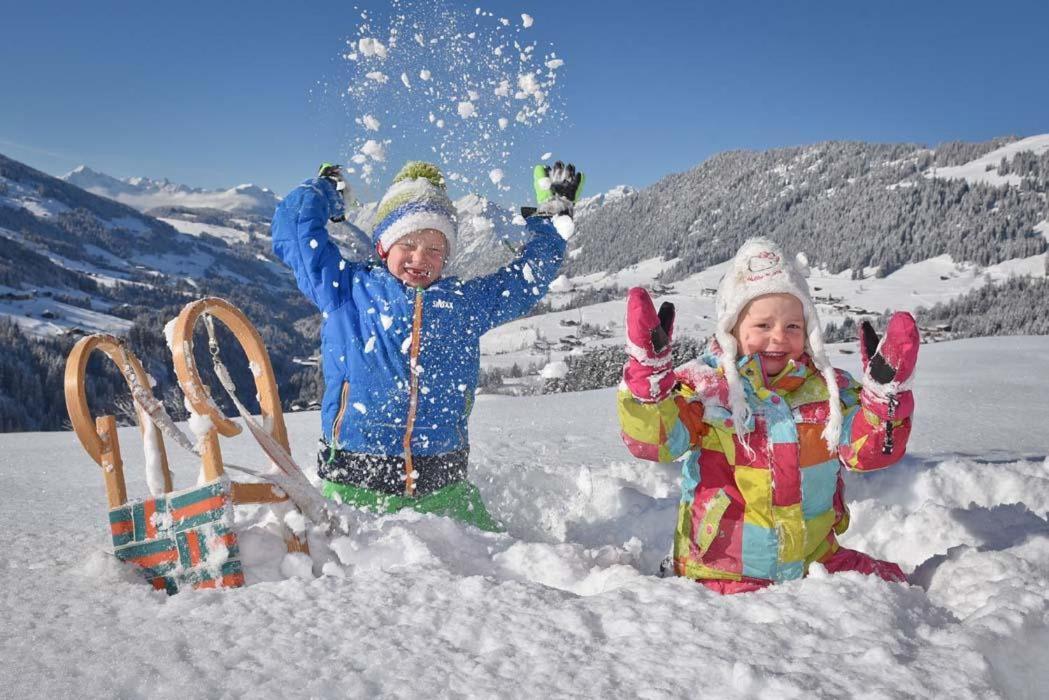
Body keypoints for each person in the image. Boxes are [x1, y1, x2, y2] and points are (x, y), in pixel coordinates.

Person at [272, 160, 582, 530]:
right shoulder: (346, 291)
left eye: (436, 249)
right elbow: (294, 233)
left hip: (444, 487)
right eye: (409, 243)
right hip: (355, 486)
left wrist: (551, 224)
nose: (421, 258)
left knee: (503, 573)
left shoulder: (464, 304)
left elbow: (524, 281)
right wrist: (325, 192)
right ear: (384, 246)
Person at [618, 237, 919, 593]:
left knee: (898, 589)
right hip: (723, 571)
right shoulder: (705, 386)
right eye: (763, 326)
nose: (779, 336)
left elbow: (866, 452)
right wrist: (650, 383)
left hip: (814, 562)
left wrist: (883, 400)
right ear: (732, 329)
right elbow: (656, 442)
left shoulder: (829, 390)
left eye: (793, 326)